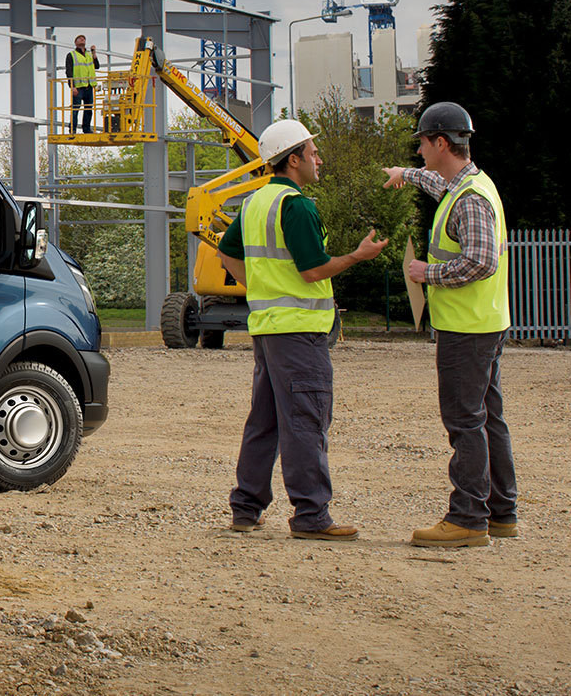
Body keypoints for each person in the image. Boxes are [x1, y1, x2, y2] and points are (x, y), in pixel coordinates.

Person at [219, 119, 388, 540]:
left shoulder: (256, 203)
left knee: (266, 421)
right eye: (313, 153)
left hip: (269, 329)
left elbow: (226, 255)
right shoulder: (297, 205)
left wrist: (261, 287)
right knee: (305, 421)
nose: (319, 160)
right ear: (293, 160)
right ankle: (311, 515)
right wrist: (357, 256)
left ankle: (246, 507)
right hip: (299, 333)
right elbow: (313, 270)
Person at [381, 101, 516, 548]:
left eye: (421, 143)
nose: (419, 150)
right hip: (484, 322)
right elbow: (438, 184)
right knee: (487, 418)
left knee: (464, 421)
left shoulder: (471, 199)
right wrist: (406, 173)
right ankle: (501, 513)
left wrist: (426, 273)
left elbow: (479, 261)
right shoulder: (467, 186)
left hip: (467, 329)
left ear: (441, 142)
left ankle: (467, 519)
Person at [63, 35, 100, 134]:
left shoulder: (89, 54)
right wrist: (72, 86)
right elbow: (69, 71)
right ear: (75, 42)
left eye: (84, 39)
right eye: (80, 39)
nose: (82, 40)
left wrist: (94, 53)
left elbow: (97, 66)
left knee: (88, 109)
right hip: (78, 87)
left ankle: (86, 128)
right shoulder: (72, 55)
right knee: (75, 109)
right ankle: (73, 128)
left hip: (89, 86)